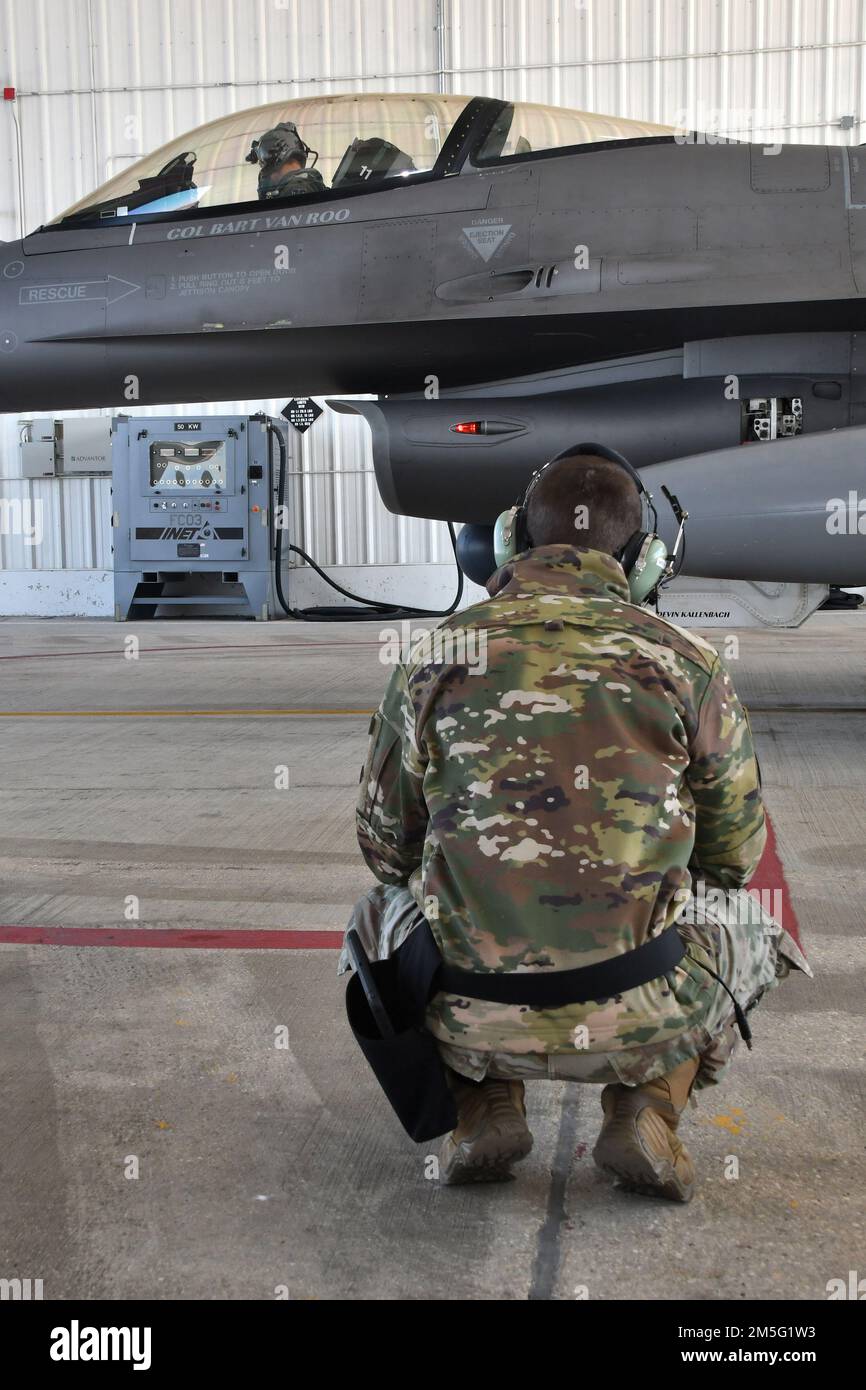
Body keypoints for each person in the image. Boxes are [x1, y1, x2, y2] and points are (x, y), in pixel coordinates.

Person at [341, 449, 810, 1201]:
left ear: (508, 544)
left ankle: (482, 1102)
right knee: (752, 924)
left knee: (375, 917)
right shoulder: (686, 661)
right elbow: (734, 856)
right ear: (648, 559)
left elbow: (384, 849)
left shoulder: (434, 656)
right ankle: (646, 1107)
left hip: (468, 1010)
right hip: (646, 1010)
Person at [246, 122, 326, 200]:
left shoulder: (294, 191)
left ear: (272, 163)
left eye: (262, 165)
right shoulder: (313, 187)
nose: (265, 174)